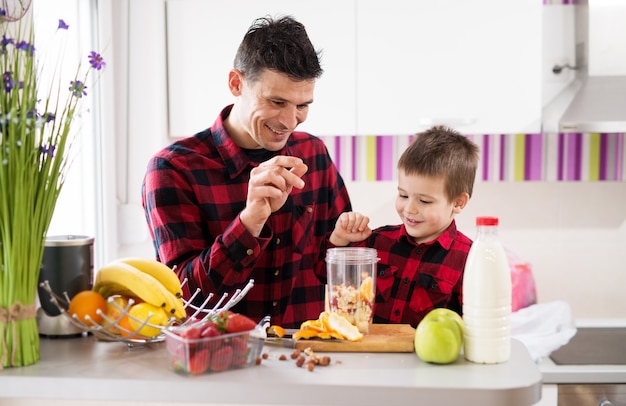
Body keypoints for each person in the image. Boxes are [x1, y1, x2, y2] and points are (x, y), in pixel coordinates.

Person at [142, 16, 351, 328]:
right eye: (276, 101)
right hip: (219, 359)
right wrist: (249, 221)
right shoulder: (173, 169)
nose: (290, 121)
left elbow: (340, 263)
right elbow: (182, 296)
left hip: (307, 355)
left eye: (302, 106)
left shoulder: (313, 153)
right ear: (236, 84)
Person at [325, 125, 480, 327]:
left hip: (427, 358)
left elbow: (476, 325)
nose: (410, 209)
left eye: (424, 201)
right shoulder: (376, 242)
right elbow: (324, 275)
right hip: (370, 355)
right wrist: (340, 240)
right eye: (403, 195)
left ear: (458, 202)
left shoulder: (470, 259)